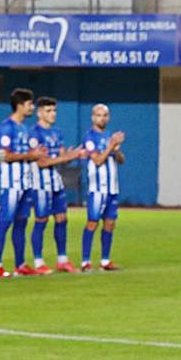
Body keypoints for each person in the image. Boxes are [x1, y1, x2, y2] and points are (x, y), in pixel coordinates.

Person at [28, 97, 84, 274]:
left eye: (54, 111)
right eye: (48, 111)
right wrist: (68, 157)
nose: (52, 114)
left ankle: (62, 260)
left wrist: (72, 154)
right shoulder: (34, 134)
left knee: (62, 220)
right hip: (41, 185)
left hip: (56, 184)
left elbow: (60, 159)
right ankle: (38, 262)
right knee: (41, 220)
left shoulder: (56, 132)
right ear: (39, 113)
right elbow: (42, 163)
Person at [0, 88, 42, 279]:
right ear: (20, 105)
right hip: (11, 183)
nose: (32, 108)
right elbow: (4, 156)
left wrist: (35, 154)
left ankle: (20, 264)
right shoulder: (7, 127)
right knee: (5, 222)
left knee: (21, 222)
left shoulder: (24, 128)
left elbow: (26, 154)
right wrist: (31, 155)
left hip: (25, 182)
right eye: (29, 104)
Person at [79, 103, 125, 271]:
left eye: (105, 115)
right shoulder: (89, 137)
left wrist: (117, 150)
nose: (102, 118)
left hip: (112, 188)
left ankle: (105, 260)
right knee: (92, 222)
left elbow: (121, 160)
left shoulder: (110, 136)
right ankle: (85, 261)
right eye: (98, 115)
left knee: (110, 223)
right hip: (97, 189)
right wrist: (111, 146)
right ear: (93, 117)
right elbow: (97, 160)